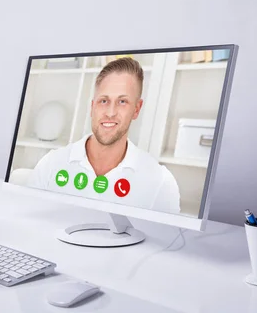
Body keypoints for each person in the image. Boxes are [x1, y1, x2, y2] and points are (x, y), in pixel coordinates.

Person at [28, 57, 181, 214]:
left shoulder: (160, 183)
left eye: (122, 101)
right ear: (92, 106)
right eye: (104, 101)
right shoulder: (50, 165)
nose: (110, 113)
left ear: (136, 109)